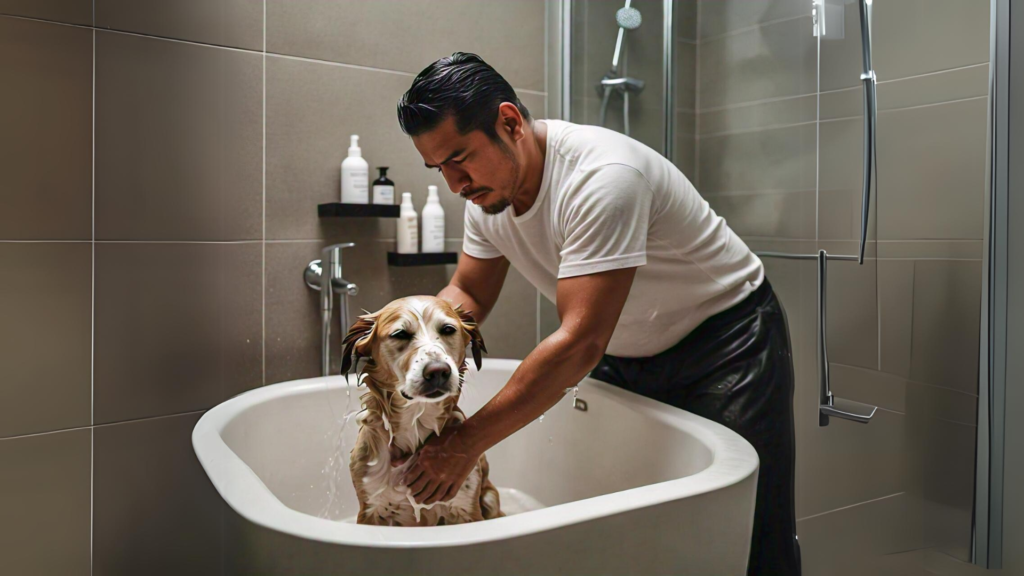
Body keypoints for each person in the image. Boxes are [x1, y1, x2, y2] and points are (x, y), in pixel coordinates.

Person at [392, 52, 801, 575]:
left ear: (510, 122)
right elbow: (469, 292)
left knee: (746, 531)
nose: (454, 183)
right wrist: (407, 358)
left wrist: (463, 443)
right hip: (626, 349)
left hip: (726, 344)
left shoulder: (603, 177)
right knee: (623, 516)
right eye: (439, 168)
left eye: (460, 158)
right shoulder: (487, 199)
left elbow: (581, 340)